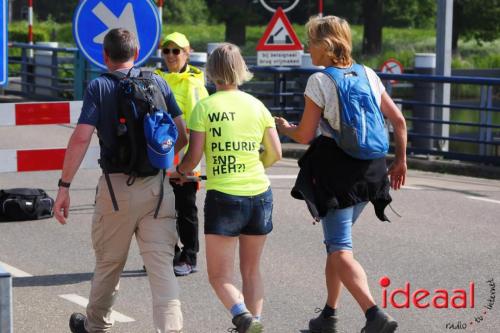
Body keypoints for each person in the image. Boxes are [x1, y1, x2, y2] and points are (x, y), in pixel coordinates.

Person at [275, 16, 407, 333]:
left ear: (326, 45)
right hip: (374, 170)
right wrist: (400, 161)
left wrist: (284, 129)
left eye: (311, 42)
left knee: (339, 248)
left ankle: (375, 314)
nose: (308, 48)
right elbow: (399, 121)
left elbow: (306, 135)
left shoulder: (320, 81)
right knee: (336, 245)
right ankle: (328, 316)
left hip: (339, 173)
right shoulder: (369, 74)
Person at [53, 28, 187, 333]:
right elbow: (181, 134)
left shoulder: (99, 87)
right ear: (137, 53)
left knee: (109, 263)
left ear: (105, 55)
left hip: (116, 191)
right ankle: (171, 329)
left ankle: (96, 326)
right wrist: (159, 161)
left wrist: (64, 186)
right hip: (157, 189)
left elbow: (81, 138)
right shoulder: (158, 81)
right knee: (162, 268)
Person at [172, 43, 282, 333]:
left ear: (211, 71)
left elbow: (193, 157)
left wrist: (181, 172)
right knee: (251, 270)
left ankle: (242, 316)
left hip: (225, 197)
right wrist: (256, 164)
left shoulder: (205, 106)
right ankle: (254, 323)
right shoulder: (258, 105)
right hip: (260, 193)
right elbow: (276, 153)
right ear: (241, 68)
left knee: (219, 276)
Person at [155, 32, 209, 276]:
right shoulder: (155, 78)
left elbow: (200, 125)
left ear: (187, 53)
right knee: (159, 209)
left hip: (184, 158)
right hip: (158, 158)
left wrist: (188, 163)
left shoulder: (193, 84)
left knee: (186, 209)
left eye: (176, 51)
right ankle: (171, 252)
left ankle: (189, 256)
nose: (170, 56)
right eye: (166, 51)